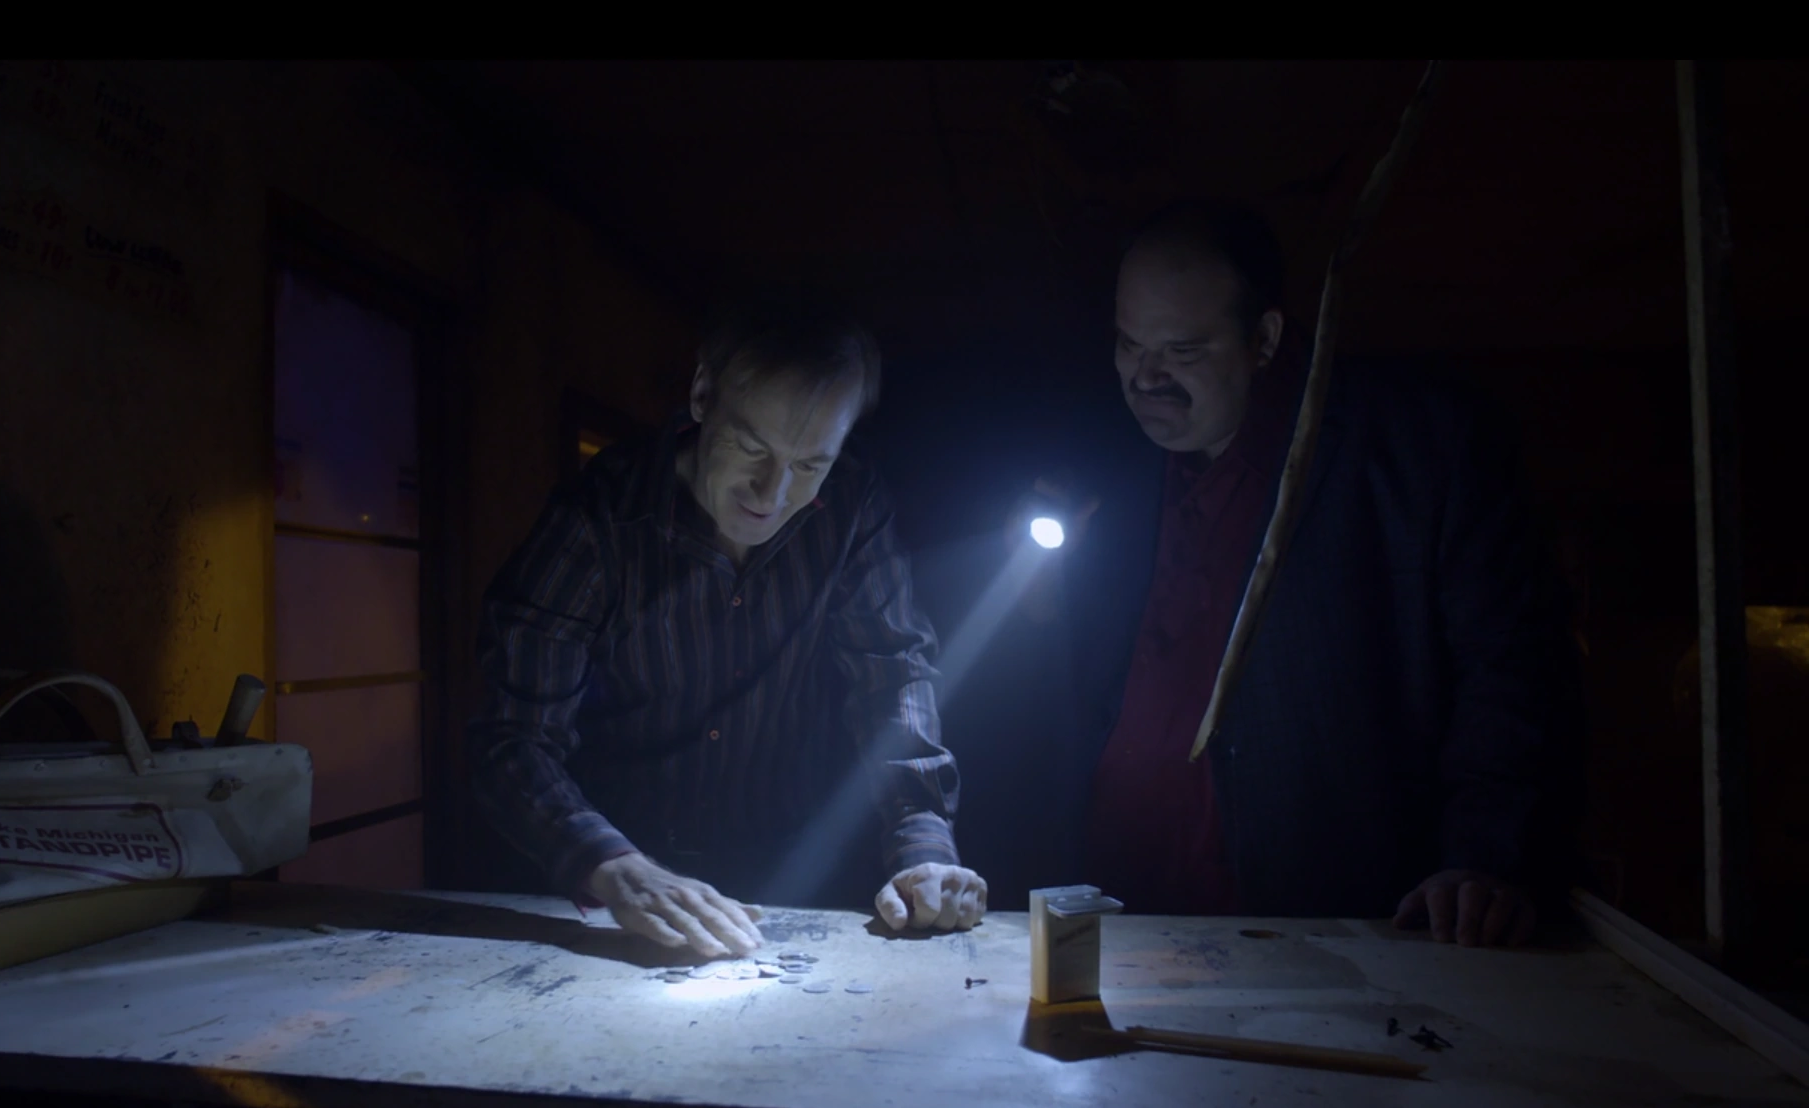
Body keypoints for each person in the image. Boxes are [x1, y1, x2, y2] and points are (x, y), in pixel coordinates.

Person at [1024, 198, 1582, 947]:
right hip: (1118, 913)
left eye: (1183, 350)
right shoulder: (1106, 454)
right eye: (1129, 344)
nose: (1146, 378)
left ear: (1264, 338)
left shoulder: (1414, 454)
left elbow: (1512, 668)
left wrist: (1483, 859)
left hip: (1325, 925)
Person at [469, 292, 988, 959]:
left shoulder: (851, 506)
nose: (772, 494)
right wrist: (614, 867)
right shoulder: (600, 518)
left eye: (809, 465)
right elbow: (511, 737)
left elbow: (891, 675)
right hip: (615, 885)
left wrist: (922, 843)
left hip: (785, 869)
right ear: (702, 393)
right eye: (750, 447)